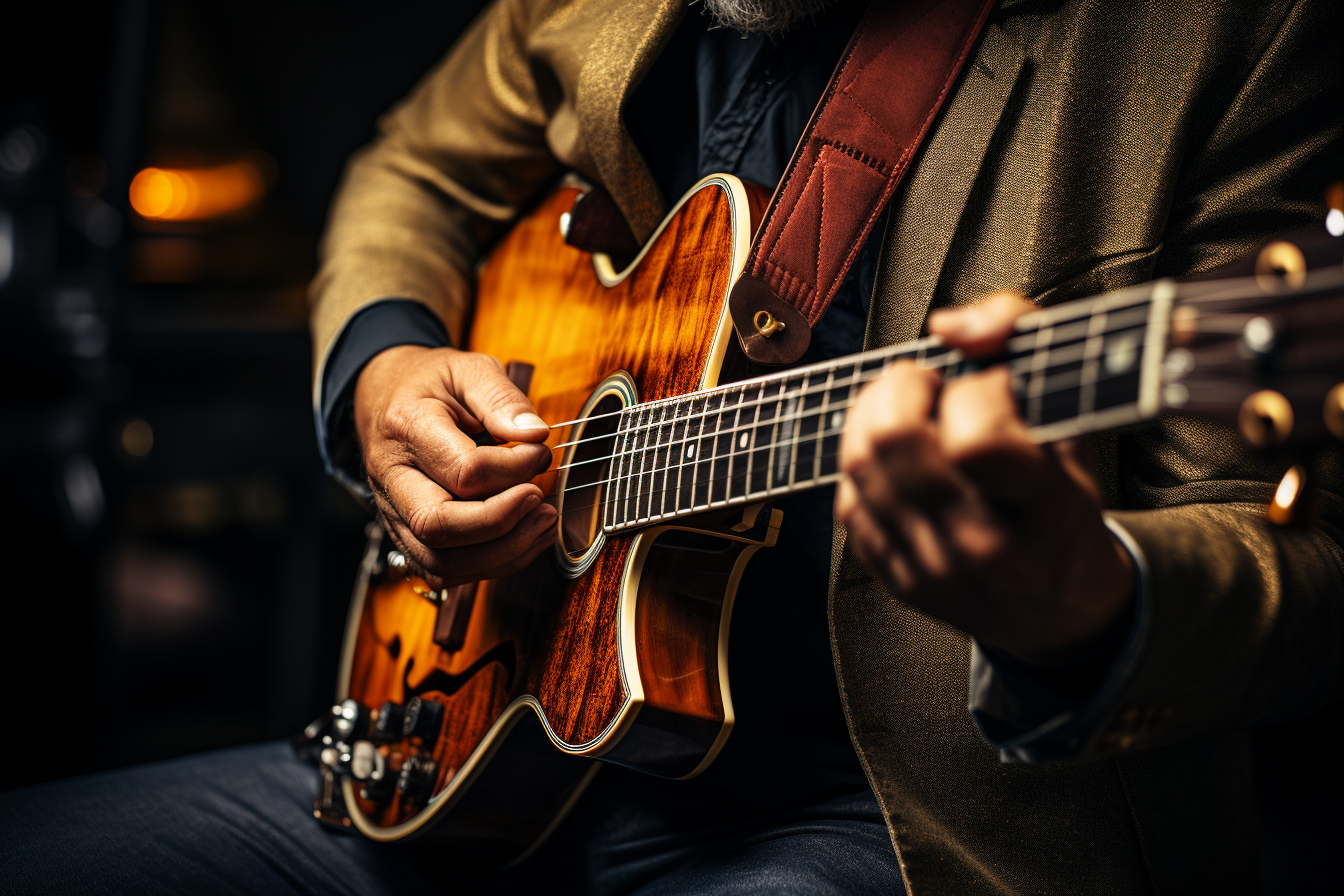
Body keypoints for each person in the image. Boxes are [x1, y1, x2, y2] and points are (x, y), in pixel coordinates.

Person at [2, 1, 1339, 894]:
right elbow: (408, 167)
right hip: (489, 747)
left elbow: (1299, 571)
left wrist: (1080, 603)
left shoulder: (1235, 35)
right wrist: (383, 369)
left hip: (899, 829)